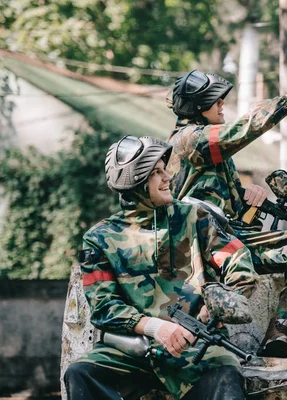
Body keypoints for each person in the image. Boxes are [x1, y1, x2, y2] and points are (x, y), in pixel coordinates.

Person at [64, 135, 260, 400]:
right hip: (131, 351)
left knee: (225, 376)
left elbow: (238, 260)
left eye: (164, 169)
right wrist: (156, 328)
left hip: (197, 347)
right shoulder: (99, 238)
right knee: (81, 373)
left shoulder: (194, 218)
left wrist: (214, 308)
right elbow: (104, 307)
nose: (168, 177)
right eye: (156, 172)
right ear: (136, 182)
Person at [165, 70, 287, 357]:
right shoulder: (189, 140)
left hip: (232, 238)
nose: (222, 106)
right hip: (199, 246)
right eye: (215, 101)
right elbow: (244, 129)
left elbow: (233, 211)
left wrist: (247, 199)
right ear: (198, 107)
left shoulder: (215, 151)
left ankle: (279, 331)